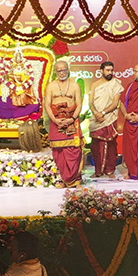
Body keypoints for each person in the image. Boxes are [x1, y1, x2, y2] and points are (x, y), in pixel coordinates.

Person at [45, 58, 84, 187]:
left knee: (74, 150)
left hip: (71, 121)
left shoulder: (74, 85)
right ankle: (64, 180)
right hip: (56, 121)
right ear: (56, 72)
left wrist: (71, 119)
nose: (62, 73)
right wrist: (55, 120)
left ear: (68, 70)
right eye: (59, 70)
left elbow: (79, 104)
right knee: (59, 152)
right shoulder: (51, 86)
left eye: (64, 70)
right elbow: (47, 105)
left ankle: (76, 180)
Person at [87, 60, 122, 178]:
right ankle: (98, 171)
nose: (110, 72)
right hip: (96, 120)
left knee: (111, 145)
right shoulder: (95, 85)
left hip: (109, 118)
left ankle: (110, 171)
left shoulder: (116, 84)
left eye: (111, 70)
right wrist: (96, 113)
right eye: (107, 70)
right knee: (96, 146)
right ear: (101, 71)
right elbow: (91, 102)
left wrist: (102, 113)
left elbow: (115, 103)